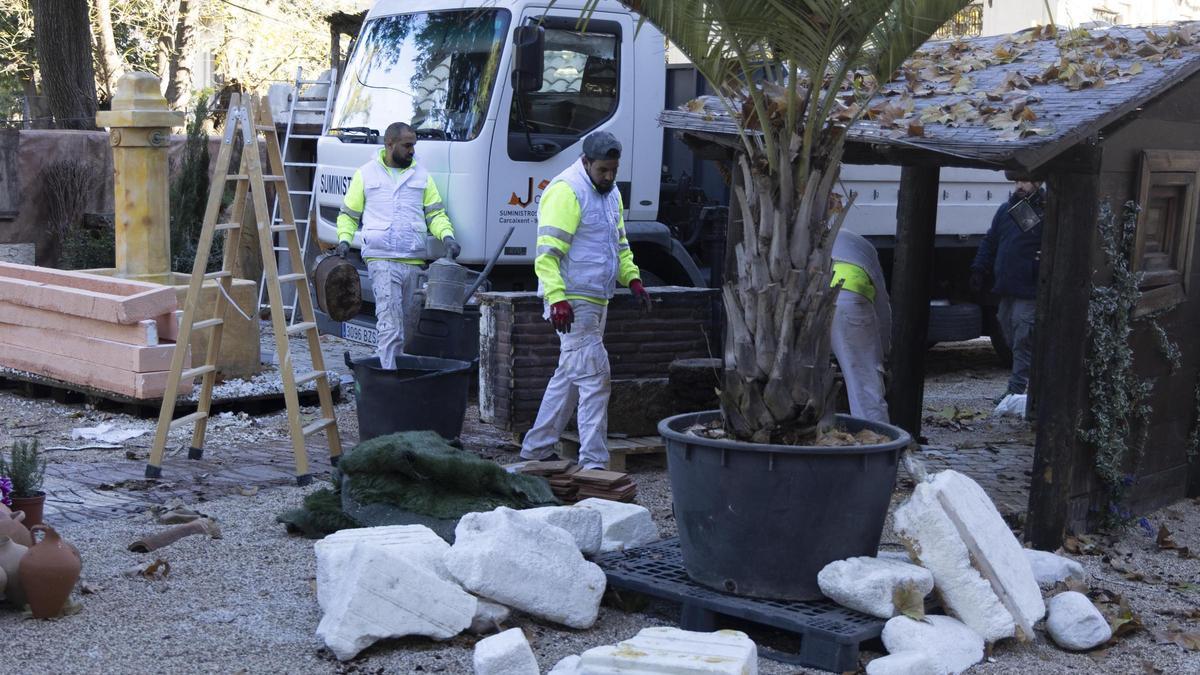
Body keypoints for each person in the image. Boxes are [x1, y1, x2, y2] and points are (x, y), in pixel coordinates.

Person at [519, 131, 651, 471]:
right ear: (586, 162)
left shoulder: (611, 195)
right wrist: (557, 298)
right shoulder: (566, 191)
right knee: (594, 376)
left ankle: (537, 446)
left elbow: (619, 246)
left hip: (595, 298)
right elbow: (547, 254)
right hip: (573, 302)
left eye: (614, 170)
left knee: (569, 376)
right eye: (603, 170)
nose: (609, 177)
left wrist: (633, 279)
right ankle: (594, 463)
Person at [334, 122, 461, 369]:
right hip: (381, 260)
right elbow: (348, 215)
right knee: (390, 325)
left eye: (413, 144)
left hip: (413, 262)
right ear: (389, 144)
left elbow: (435, 214)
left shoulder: (422, 176)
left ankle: (394, 373)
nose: (412, 150)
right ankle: (388, 381)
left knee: (408, 329)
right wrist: (344, 240)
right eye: (407, 145)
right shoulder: (366, 174)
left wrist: (447, 236)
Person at [970, 177, 1045, 400]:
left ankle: (1016, 390)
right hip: (1007, 286)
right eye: (1018, 182)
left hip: (1028, 288)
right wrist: (978, 268)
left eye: (1026, 182)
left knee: (1022, 339)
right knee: (1011, 337)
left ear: (1038, 183)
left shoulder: (1042, 210)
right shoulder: (1008, 209)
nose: (1020, 186)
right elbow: (991, 241)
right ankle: (1027, 387)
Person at [831, 230, 892, 424]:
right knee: (864, 383)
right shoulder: (863, 247)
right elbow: (882, 305)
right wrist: (883, 351)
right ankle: (876, 437)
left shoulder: (809, 237)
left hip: (808, 306)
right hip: (850, 304)